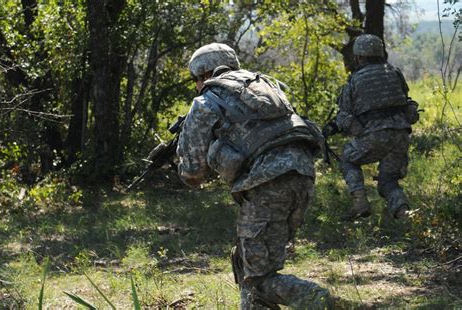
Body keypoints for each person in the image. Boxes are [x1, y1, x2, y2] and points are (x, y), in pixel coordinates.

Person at [177, 42, 332, 309]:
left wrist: (191, 153)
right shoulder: (267, 86)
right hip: (302, 176)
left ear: (203, 76)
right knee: (249, 269)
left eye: (195, 80)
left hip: (267, 185)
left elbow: (192, 174)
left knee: (258, 281)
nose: (195, 85)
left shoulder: (206, 101)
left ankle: (319, 300)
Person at [323, 34, 419, 221]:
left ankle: (359, 202)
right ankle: (404, 213)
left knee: (347, 159)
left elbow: (345, 116)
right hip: (401, 135)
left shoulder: (354, 80)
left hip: (374, 136)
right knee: (388, 180)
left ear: (358, 56)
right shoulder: (394, 72)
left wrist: (336, 128)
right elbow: (405, 100)